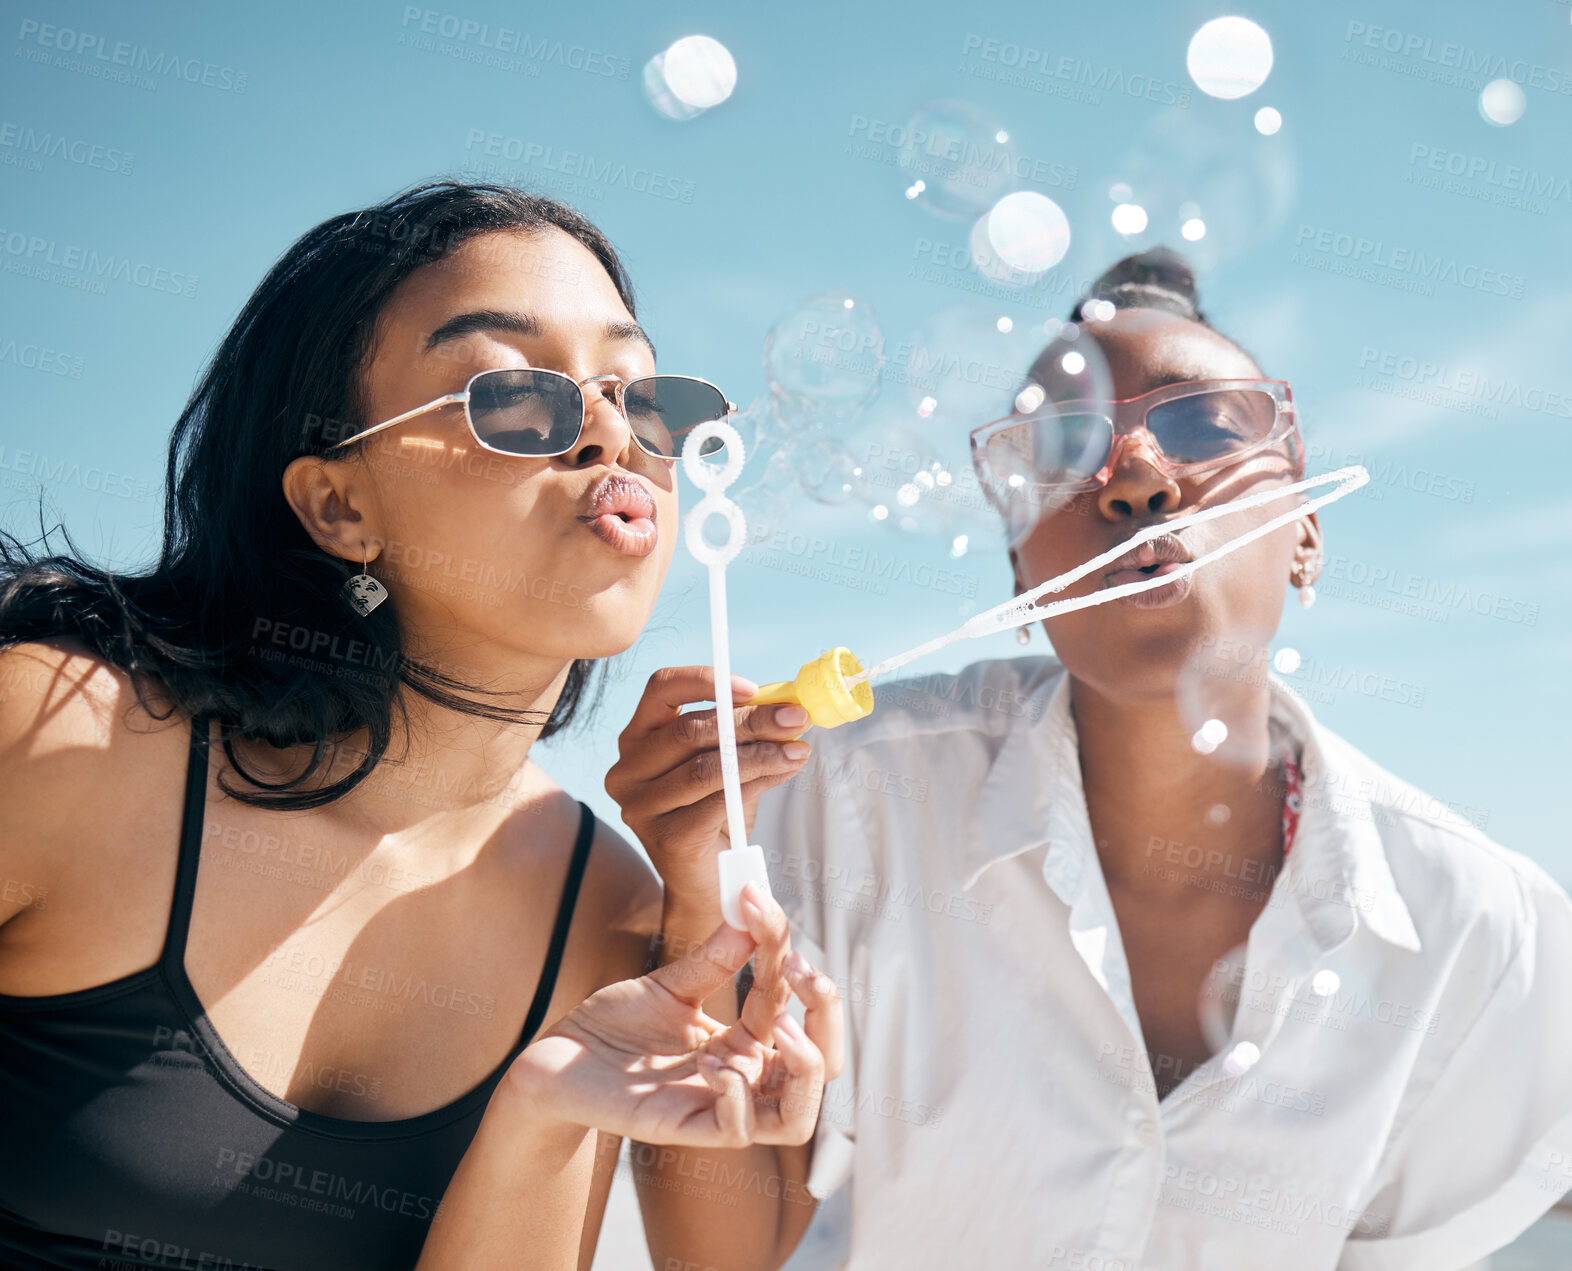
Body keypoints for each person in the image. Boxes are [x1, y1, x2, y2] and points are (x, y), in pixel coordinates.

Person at [611, 248, 1572, 1269]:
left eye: (1204, 422)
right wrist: (693, 889)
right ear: (1022, 573)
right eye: (1064, 447)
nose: (1138, 479)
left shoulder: (1482, 928)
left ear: (1305, 534)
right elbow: (724, 1258)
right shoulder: (833, 801)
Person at [0, 179, 841, 1271]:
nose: (607, 436)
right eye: (517, 395)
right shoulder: (61, 740)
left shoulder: (604, 914)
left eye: (642, 398)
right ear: (337, 505)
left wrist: (572, 1070)